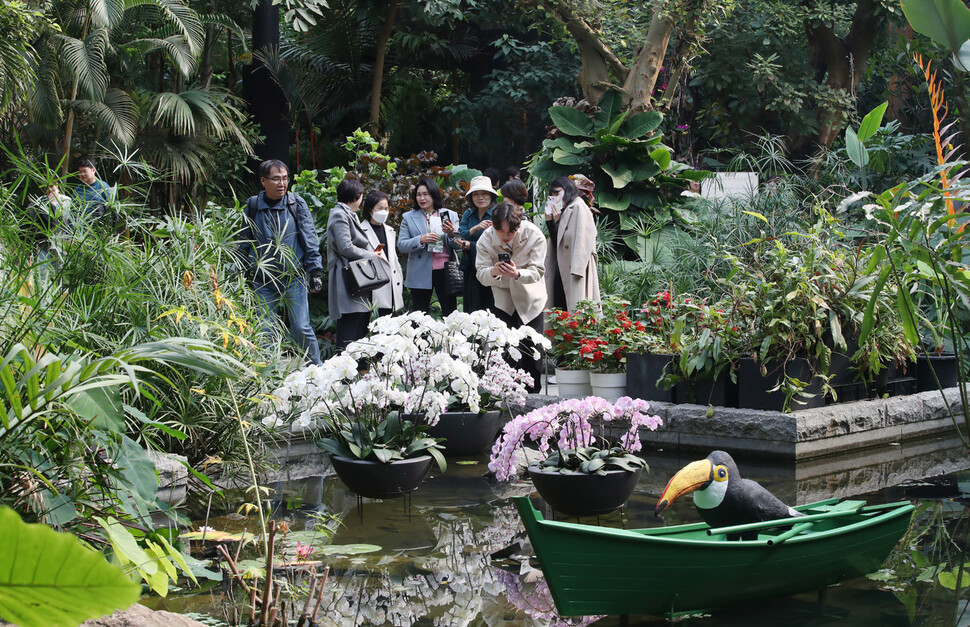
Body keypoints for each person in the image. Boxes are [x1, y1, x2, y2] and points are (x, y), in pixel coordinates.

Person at [243, 159, 324, 365]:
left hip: (293, 277)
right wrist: (241, 273)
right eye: (276, 179)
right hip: (263, 280)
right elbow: (243, 241)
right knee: (266, 330)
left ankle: (319, 371)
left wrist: (315, 272)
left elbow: (309, 237)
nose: (282, 184)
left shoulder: (295, 203)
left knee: (300, 326)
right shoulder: (252, 206)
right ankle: (270, 375)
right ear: (263, 180)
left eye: (285, 178)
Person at [475, 202, 547, 392]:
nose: (506, 236)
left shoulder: (534, 235)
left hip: (531, 299)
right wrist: (493, 271)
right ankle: (506, 394)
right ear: (493, 225)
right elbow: (480, 274)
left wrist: (517, 274)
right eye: (501, 232)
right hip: (503, 300)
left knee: (532, 351)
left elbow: (538, 271)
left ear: (519, 225)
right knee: (505, 350)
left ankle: (534, 396)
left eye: (511, 232)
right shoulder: (485, 239)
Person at [327, 179, 389, 349]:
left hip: (355, 275)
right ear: (356, 197)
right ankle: (345, 367)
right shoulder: (340, 214)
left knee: (359, 320)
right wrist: (370, 255)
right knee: (350, 323)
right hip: (347, 275)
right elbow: (345, 247)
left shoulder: (347, 214)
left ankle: (357, 368)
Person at [398, 177, 461, 315]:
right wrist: (420, 240)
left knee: (450, 313)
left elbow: (459, 246)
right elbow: (401, 245)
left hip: (445, 270)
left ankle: (450, 337)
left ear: (433, 194)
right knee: (419, 315)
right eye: (419, 194)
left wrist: (451, 234)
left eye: (426, 194)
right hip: (420, 271)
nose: (422, 198)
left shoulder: (448, 214)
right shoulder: (409, 217)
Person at [544, 176, 600, 312]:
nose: (554, 198)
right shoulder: (566, 209)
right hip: (561, 269)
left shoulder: (578, 206)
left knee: (576, 311)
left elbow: (585, 239)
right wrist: (551, 221)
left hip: (574, 271)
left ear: (567, 190)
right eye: (552, 195)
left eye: (557, 193)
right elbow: (558, 241)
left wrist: (578, 270)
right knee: (559, 309)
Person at [358, 190, 404, 317]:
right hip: (372, 287)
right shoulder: (361, 230)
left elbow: (393, 258)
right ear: (370, 209)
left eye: (386, 208)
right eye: (380, 208)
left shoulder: (389, 230)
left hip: (391, 285)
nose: (384, 212)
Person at [457, 175, 496, 313]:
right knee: (472, 305)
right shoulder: (469, 213)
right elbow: (462, 234)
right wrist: (476, 227)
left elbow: (497, 242)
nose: (480, 197)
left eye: (484, 193)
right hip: (471, 265)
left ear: (491, 195)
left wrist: (471, 245)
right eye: (476, 194)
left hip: (491, 265)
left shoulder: (497, 213)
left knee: (490, 306)